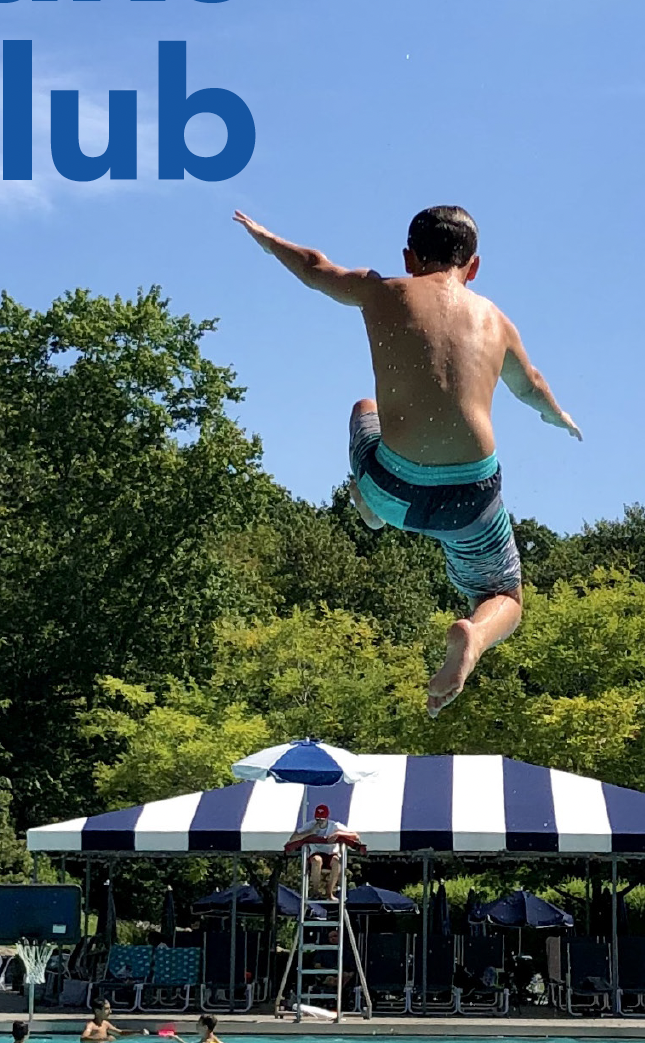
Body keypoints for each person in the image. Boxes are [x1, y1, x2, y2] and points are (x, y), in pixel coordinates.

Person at [235, 206, 580, 715]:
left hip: (394, 489)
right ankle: (474, 638)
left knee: (364, 409)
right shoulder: (496, 322)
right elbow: (532, 385)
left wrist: (266, 238)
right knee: (504, 595)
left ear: (408, 259)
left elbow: (314, 267)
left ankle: (369, 509)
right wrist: (559, 417)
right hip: (471, 501)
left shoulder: (382, 291)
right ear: (474, 266)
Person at [284, 803, 362, 902]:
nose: (320, 821)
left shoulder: (334, 826)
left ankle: (329, 892)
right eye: (318, 819)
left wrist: (338, 833)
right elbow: (293, 838)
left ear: (327, 818)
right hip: (316, 854)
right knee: (317, 860)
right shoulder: (310, 825)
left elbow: (356, 836)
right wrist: (310, 832)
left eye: (322, 819)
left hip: (331, 854)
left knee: (337, 861)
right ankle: (315, 892)